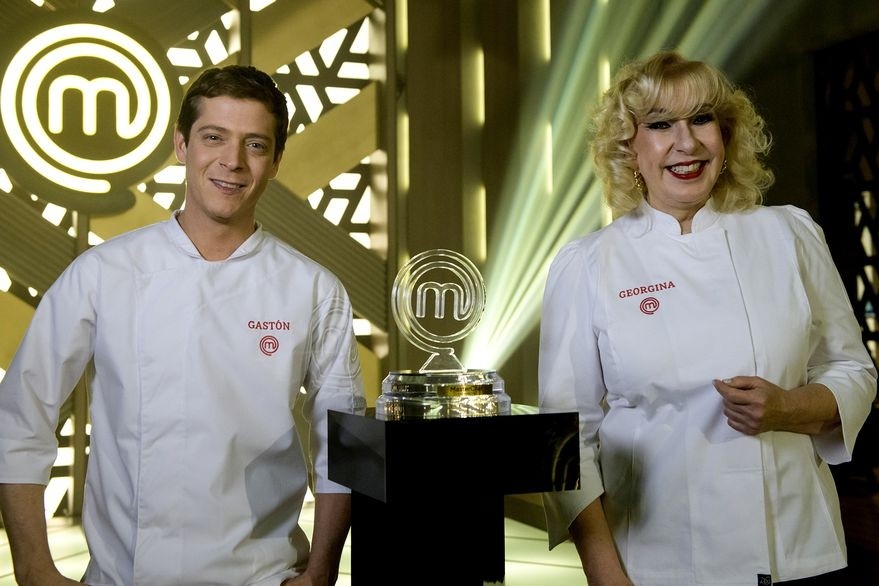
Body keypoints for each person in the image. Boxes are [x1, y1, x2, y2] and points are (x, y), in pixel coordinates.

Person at [0, 65, 366, 585]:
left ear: (276, 161)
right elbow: (20, 416)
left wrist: (322, 571)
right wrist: (33, 566)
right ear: (181, 145)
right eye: (213, 137)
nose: (232, 161)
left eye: (255, 144)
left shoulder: (314, 288)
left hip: (262, 576)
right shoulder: (102, 273)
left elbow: (344, 443)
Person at [538, 51, 877, 586]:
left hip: (798, 551)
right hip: (657, 563)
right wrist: (605, 576)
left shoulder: (789, 233)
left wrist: (788, 408)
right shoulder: (589, 264)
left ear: (726, 133)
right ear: (629, 147)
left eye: (701, 119)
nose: (687, 143)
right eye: (659, 125)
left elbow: (853, 369)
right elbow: (563, 438)